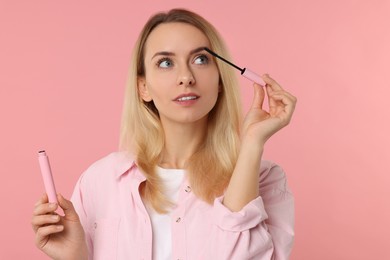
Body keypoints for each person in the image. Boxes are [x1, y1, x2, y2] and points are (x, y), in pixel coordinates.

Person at [31, 8, 297, 260]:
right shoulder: (100, 180)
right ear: (143, 87)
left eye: (201, 59)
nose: (186, 77)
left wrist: (251, 144)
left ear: (219, 81)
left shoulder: (264, 178)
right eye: (166, 62)